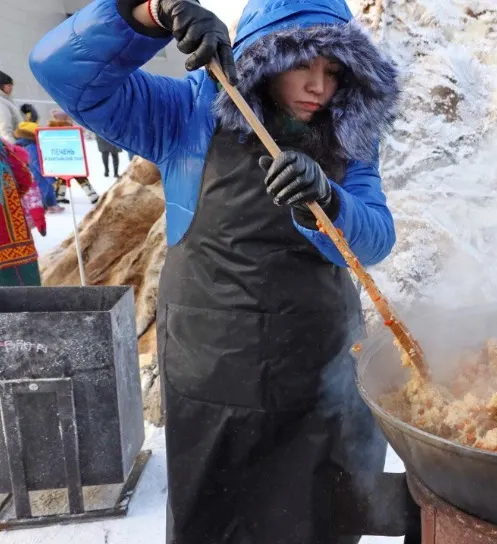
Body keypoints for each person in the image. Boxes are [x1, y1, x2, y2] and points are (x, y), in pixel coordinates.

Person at [32, 1, 415, 543]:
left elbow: (376, 236)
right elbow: (61, 71)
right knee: (219, 518)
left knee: (321, 518)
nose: (319, 87)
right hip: (212, 368)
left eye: (333, 71)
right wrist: (147, 14)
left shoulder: (349, 136)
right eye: (303, 63)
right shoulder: (188, 113)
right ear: (263, 58)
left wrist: (328, 203)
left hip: (320, 365)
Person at [0, 141, 41, 286]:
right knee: (29, 296)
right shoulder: (3, 149)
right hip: (18, 241)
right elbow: (25, 178)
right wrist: (11, 199)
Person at [47, 111, 100, 204]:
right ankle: (92, 195)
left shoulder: (50, 129)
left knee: (62, 177)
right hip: (71, 157)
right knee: (80, 176)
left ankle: (59, 196)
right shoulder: (69, 129)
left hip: (58, 158)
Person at [14, 121, 62, 212]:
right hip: (38, 174)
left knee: (42, 189)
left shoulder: (22, 144)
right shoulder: (32, 147)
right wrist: (50, 178)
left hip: (30, 174)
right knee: (44, 188)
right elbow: (38, 163)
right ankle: (47, 206)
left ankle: (50, 204)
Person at [0, 71, 23, 143]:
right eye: (9, 85)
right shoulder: (2, 102)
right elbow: (5, 127)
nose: (11, 87)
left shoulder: (7, 100)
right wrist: (11, 146)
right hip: (8, 142)